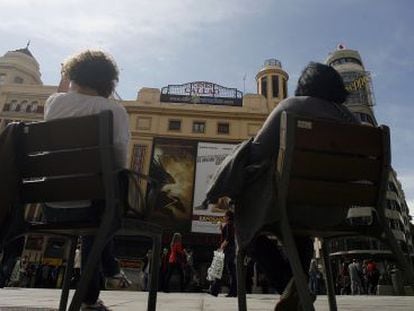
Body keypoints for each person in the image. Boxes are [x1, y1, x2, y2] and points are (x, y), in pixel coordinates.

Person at [206, 62, 360, 311]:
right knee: (299, 230)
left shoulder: (291, 107)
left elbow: (256, 154)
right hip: (334, 212)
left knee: (246, 225)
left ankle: (293, 285)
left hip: (292, 207)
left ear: (304, 85)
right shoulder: (352, 120)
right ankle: (295, 291)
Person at [43, 50, 131, 311]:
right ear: (108, 81)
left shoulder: (53, 103)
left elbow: (64, 96)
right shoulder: (113, 110)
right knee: (108, 198)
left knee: (99, 207)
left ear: (74, 75)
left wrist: (63, 75)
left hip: (52, 206)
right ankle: (107, 270)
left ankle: (98, 286)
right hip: (95, 209)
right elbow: (119, 163)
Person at [210, 210, 237, 297]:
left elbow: (228, 238)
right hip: (232, 249)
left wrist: (221, 247)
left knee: (220, 269)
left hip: (227, 249)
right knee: (231, 270)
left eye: (224, 216)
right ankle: (233, 291)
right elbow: (228, 236)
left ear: (228, 217)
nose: (223, 217)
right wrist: (221, 228)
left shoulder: (229, 225)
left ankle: (214, 291)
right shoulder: (232, 225)